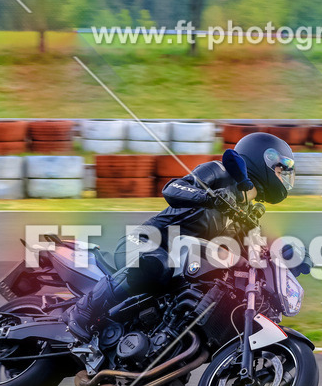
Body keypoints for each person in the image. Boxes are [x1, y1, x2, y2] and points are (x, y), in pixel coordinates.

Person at [61, 132, 297, 341]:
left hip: (180, 269)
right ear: (261, 157)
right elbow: (172, 189)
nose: (283, 174)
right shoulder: (219, 171)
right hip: (147, 242)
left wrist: (286, 259)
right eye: (280, 167)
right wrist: (208, 197)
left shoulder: (247, 214)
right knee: (156, 264)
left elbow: (253, 255)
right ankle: (83, 310)